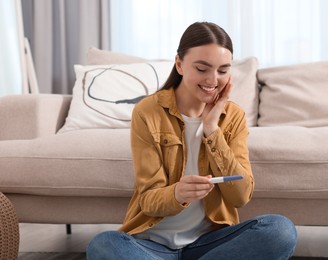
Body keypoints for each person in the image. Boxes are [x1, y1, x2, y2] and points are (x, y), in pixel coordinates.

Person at [87, 21, 297, 260]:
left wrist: (212, 130)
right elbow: (148, 201)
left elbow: (240, 196)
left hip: (210, 245)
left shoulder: (234, 117)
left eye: (222, 70)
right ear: (179, 64)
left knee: (280, 231)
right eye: (202, 69)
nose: (213, 80)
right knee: (104, 245)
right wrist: (178, 194)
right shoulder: (148, 111)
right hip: (152, 245)